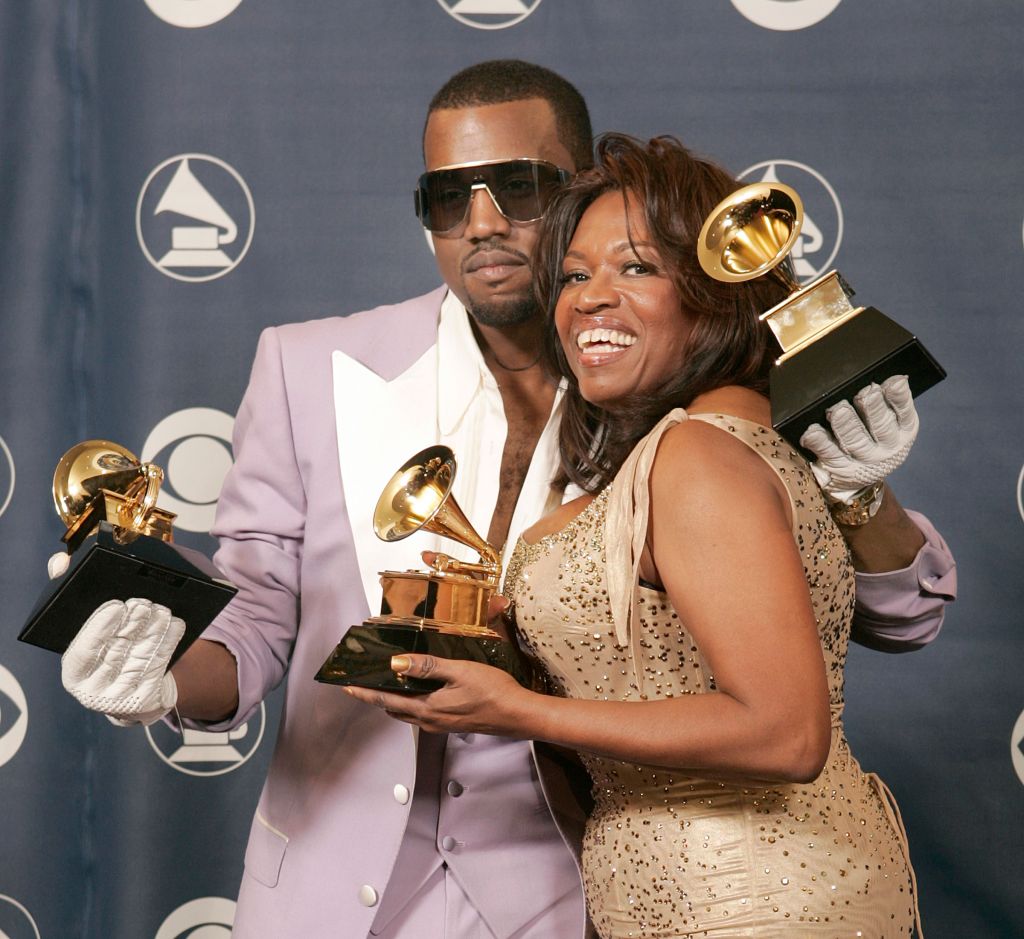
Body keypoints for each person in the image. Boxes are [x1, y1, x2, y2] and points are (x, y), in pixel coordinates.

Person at [58, 62, 953, 938]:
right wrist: (163, 680)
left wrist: (861, 496)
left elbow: (879, 619)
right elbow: (254, 615)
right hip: (331, 889)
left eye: (517, 187)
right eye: (449, 198)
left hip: (569, 888)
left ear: (574, 193)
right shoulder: (306, 366)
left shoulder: (671, 381)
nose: (482, 223)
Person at [344, 133, 925, 937]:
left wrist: (519, 709)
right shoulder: (702, 449)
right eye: (575, 275)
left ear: (717, 289)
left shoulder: (696, 457)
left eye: (636, 267)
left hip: (752, 902)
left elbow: (787, 732)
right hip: (690, 896)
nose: (588, 298)